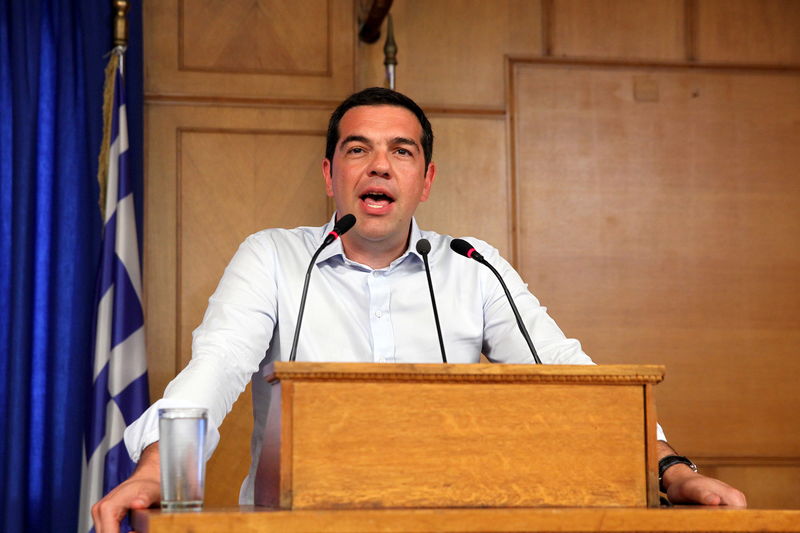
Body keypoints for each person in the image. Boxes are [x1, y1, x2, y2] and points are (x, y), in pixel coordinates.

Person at [92, 88, 746, 532]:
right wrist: (157, 470)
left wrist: (672, 470)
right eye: (358, 149)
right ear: (329, 174)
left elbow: (576, 380)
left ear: (425, 178)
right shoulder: (272, 258)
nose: (379, 165)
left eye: (401, 151)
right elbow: (219, 363)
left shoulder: (471, 264)